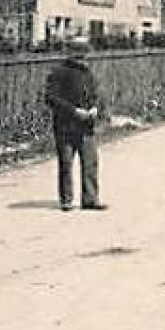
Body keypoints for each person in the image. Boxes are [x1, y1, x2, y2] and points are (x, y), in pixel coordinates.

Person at [43, 44, 106, 211]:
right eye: (79, 55)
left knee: (90, 163)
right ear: (70, 55)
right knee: (66, 164)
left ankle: (90, 199)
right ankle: (66, 200)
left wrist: (94, 108)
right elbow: (50, 98)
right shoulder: (58, 72)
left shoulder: (88, 73)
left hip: (86, 126)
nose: (83, 59)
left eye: (85, 55)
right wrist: (74, 111)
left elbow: (95, 95)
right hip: (65, 126)